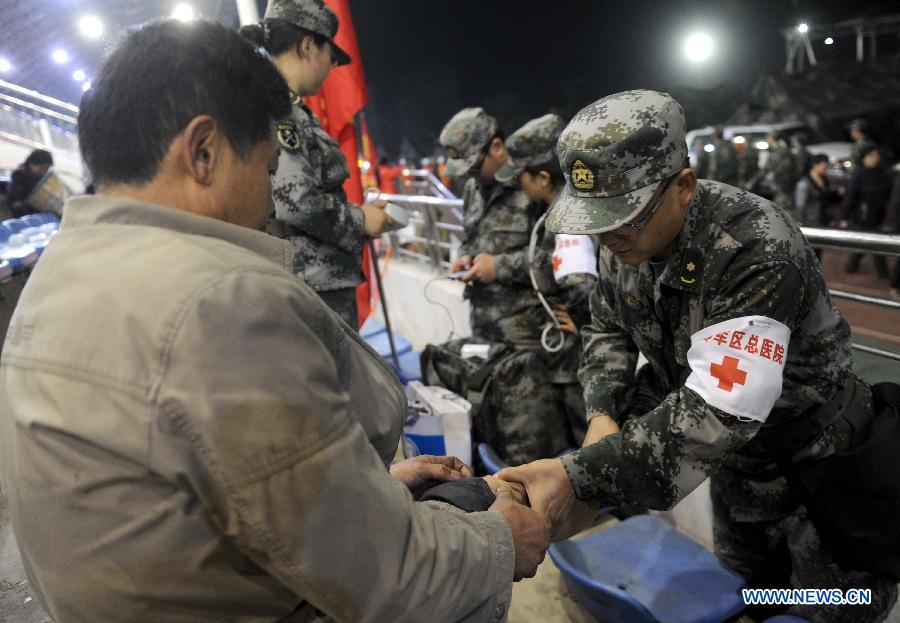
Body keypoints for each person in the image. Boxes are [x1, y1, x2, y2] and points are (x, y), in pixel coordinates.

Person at [0, 19, 551, 622]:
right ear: (203, 152)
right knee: (474, 530)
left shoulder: (57, 273)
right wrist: (504, 544)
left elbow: (195, 490)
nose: (269, 201)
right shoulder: (221, 299)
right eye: (265, 170)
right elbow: (391, 577)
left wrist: (377, 482)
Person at [499, 90, 898, 622]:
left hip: (821, 470)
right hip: (738, 471)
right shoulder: (629, 243)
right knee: (754, 595)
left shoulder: (755, 245)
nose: (607, 236)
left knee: (829, 608)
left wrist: (580, 476)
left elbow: (717, 409)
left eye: (623, 217)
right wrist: (603, 413)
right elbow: (606, 329)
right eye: (595, 220)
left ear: (683, 187)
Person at [240, 0, 393, 328]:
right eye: (332, 57)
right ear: (308, 46)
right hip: (312, 288)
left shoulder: (286, 108)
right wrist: (361, 220)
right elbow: (296, 201)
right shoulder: (281, 112)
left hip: (312, 284)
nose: (331, 67)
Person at [494, 112, 598, 444]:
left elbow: (581, 288)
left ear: (541, 177)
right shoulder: (556, 212)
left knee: (588, 441)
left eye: (522, 177)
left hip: (577, 362)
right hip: (569, 359)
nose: (518, 185)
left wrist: (579, 321)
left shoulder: (566, 221)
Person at [441, 107, 545, 344]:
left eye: (474, 168)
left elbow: (561, 261)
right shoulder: (473, 189)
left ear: (496, 147)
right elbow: (471, 237)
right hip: (484, 327)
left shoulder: (533, 184)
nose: (471, 176)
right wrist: (465, 256)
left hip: (530, 335)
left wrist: (499, 266)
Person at [839, 143, 892, 279]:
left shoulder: (882, 173)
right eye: (870, 156)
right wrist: (844, 217)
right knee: (870, 244)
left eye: (876, 156)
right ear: (863, 158)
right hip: (863, 216)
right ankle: (881, 272)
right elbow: (851, 196)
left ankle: (855, 266)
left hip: (878, 215)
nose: (874, 159)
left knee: (869, 243)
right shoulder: (858, 174)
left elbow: (888, 193)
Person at [794, 153, 834, 259]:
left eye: (827, 165)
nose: (826, 168)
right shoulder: (804, 184)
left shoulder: (824, 180)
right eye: (823, 165)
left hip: (821, 221)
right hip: (810, 223)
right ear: (814, 165)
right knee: (809, 255)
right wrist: (800, 226)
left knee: (818, 253)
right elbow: (800, 206)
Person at [756, 131, 798, 212]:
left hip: (781, 182)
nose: (767, 140)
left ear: (772, 139)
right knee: (787, 204)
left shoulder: (775, 153)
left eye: (768, 138)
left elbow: (766, 169)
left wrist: (753, 181)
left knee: (781, 206)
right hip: (789, 181)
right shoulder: (786, 150)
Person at [7, 149, 53, 217]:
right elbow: (14, 202)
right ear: (31, 164)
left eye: (46, 169)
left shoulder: (39, 177)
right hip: (25, 216)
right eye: (41, 168)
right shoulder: (19, 176)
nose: (43, 172)